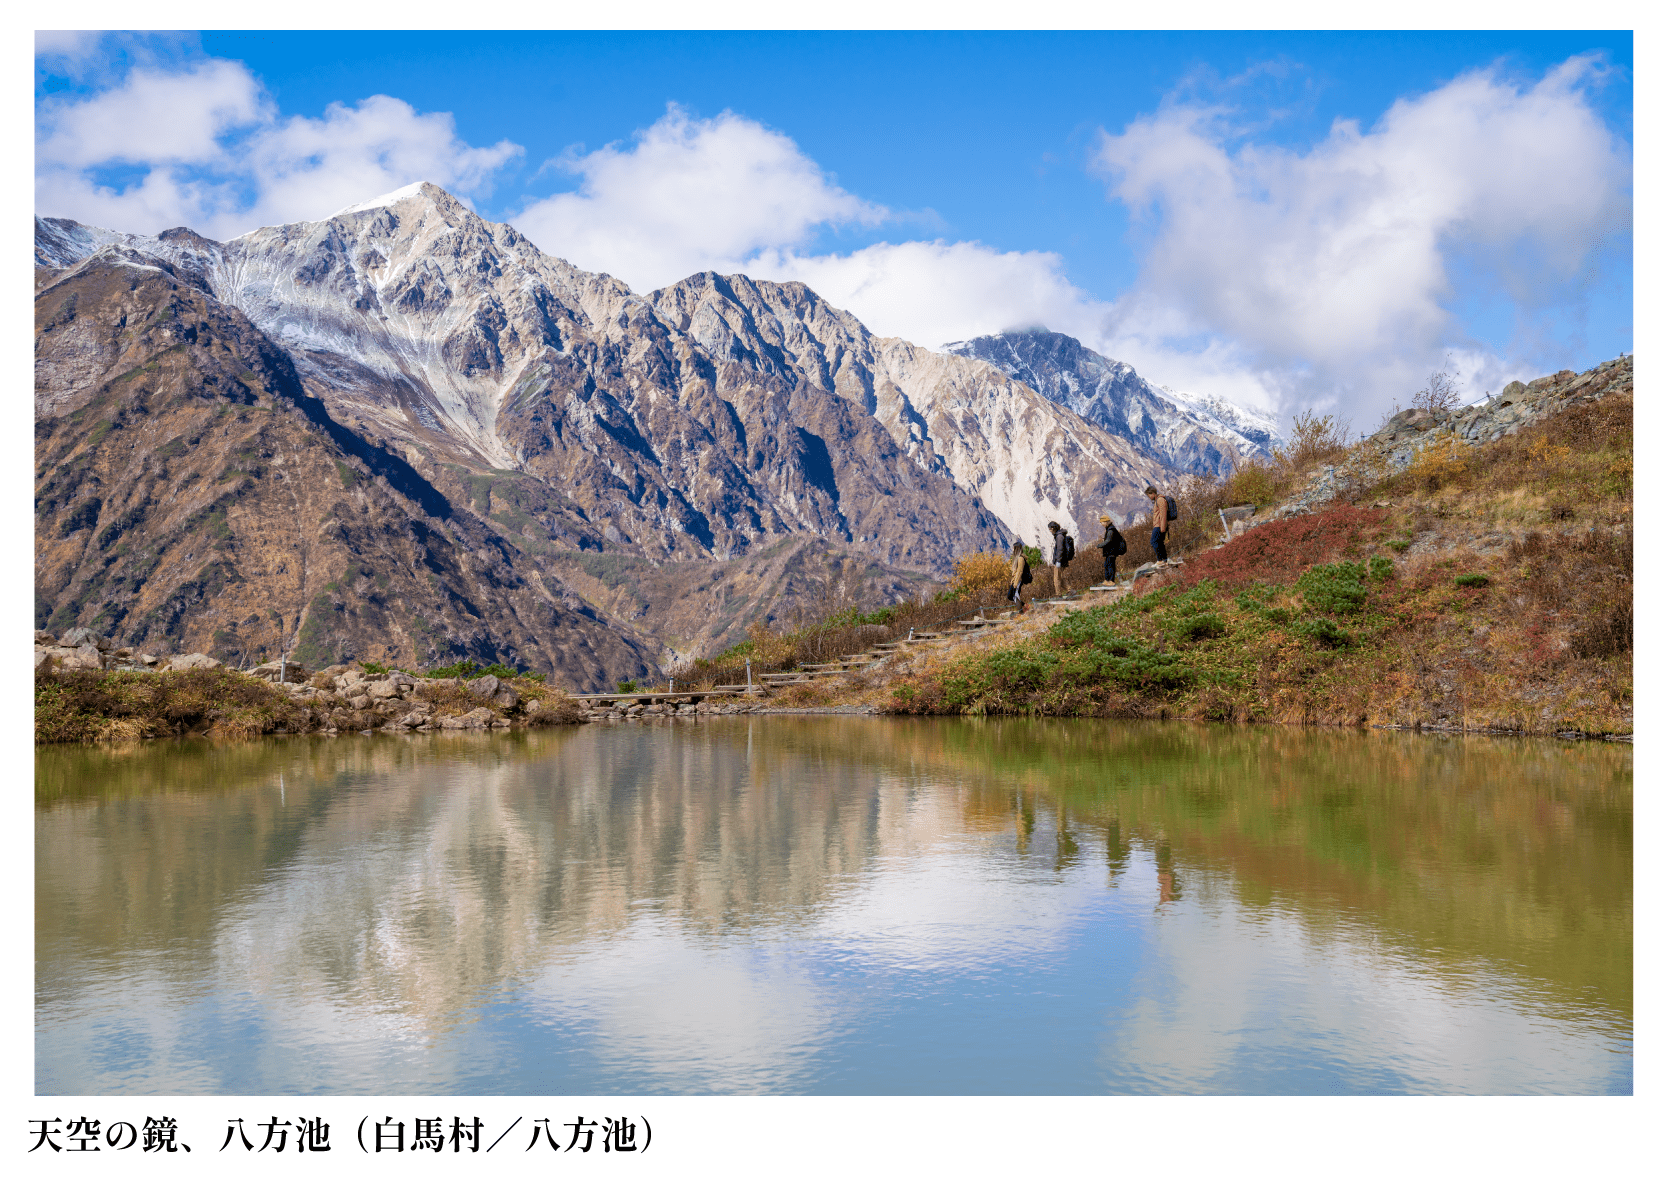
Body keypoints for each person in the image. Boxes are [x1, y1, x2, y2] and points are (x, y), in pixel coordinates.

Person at [1095, 513, 1124, 583]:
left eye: (1102, 523)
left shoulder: (1111, 530)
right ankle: (1107, 580)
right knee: (1107, 565)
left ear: (1105, 522)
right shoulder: (1109, 529)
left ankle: (1111, 581)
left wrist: (1099, 545)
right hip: (1109, 552)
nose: (1101, 524)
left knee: (1110, 566)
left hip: (1112, 552)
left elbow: (1108, 541)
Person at [1145, 486, 1171, 563]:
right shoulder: (1158, 500)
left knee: (1154, 541)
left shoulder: (1160, 500)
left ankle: (1160, 560)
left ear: (1153, 493)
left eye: (1149, 495)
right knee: (1159, 542)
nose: (1149, 497)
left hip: (1159, 525)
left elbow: (1163, 514)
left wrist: (1163, 527)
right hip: (1159, 525)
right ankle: (1164, 560)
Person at [1046, 520, 1069, 597]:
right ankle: (1070, 590)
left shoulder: (1059, 537)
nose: (1050, 531)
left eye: (1050, 529)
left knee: (1056, 579)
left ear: (1053, 528)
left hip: (1060, 561)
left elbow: (1060, 549)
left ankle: (1058, 595)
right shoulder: (1060, 535)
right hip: (1061, 560)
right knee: (1060, 577)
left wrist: (1058, 561)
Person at [1008, 540, 1030, 614]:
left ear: (1016, 549)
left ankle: (1021, 613)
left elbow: (1020, 571)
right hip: (1015, 580)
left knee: (1015, 596)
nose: (1012, 550)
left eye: (1013, 548)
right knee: (1010, 596)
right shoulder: (1017, 558)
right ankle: (1026, 606)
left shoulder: (1020, 558)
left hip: (1018, 580)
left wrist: (1016, 582)